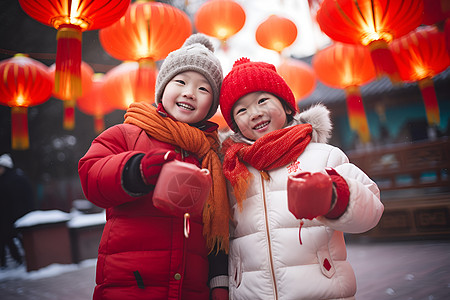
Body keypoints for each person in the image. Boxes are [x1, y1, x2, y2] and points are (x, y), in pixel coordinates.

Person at [78, 34, 230, 300]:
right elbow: (92, 175)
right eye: (180, 82)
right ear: (163, 88)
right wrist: (138, 170)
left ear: (211, 105)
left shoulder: (211, 155)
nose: (189, 93)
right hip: (131, 284)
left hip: (191, 290)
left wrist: (218, 284)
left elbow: (218, 228)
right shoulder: (129, 134)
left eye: (203, 89)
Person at [219, 58, 384, 299]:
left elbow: (372, 209)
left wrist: (335, 196)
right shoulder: (234, 170)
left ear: (287, 106)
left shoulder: (324, 156)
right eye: (241, 110)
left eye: (262, 100)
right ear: (235, 125)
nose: (254, 113)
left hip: (321, 289)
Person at [0, 153, 34, 268]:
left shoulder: (7, 180)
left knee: (9, 238)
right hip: (20, 213)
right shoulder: (19, 177)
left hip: (11, 215)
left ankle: (17, 260)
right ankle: (25, 258)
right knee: (18, 238)